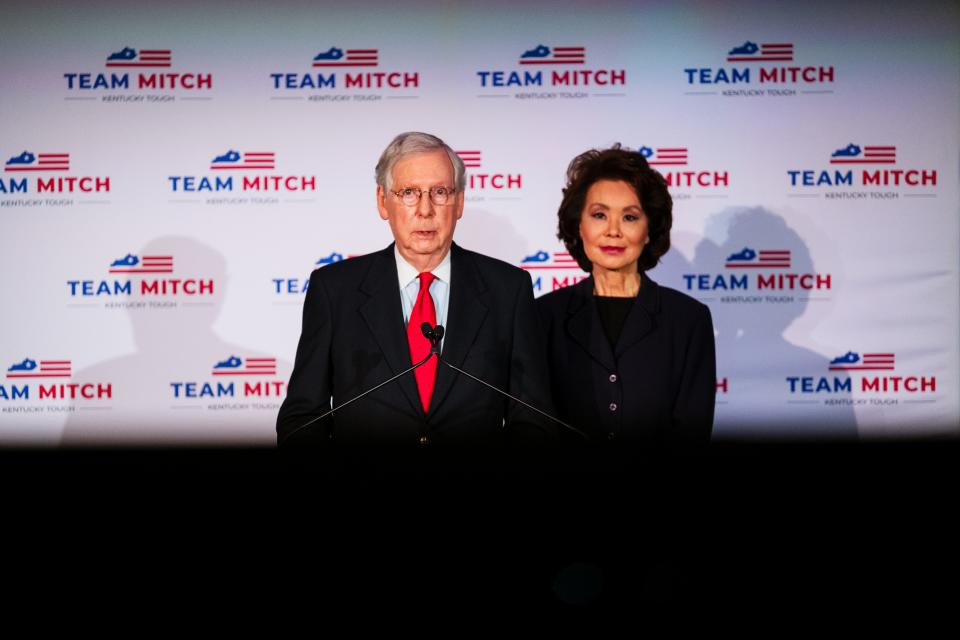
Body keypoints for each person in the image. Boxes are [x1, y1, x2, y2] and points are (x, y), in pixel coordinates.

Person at [277, 132, 556, 446]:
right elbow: (302, 420)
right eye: (409, 192)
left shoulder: (508, 290)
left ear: (460, 202)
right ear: (383, 202)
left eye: (440, 192)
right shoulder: (334, 290)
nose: (425, 209)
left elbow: (535, 419)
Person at [536, 145, 715, 444]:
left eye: (630, 217)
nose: (613, 231)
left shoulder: (688, 320)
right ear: (579, 225)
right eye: (599, 215)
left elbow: (692, 432)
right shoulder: (542, 316)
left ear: (649, 230)